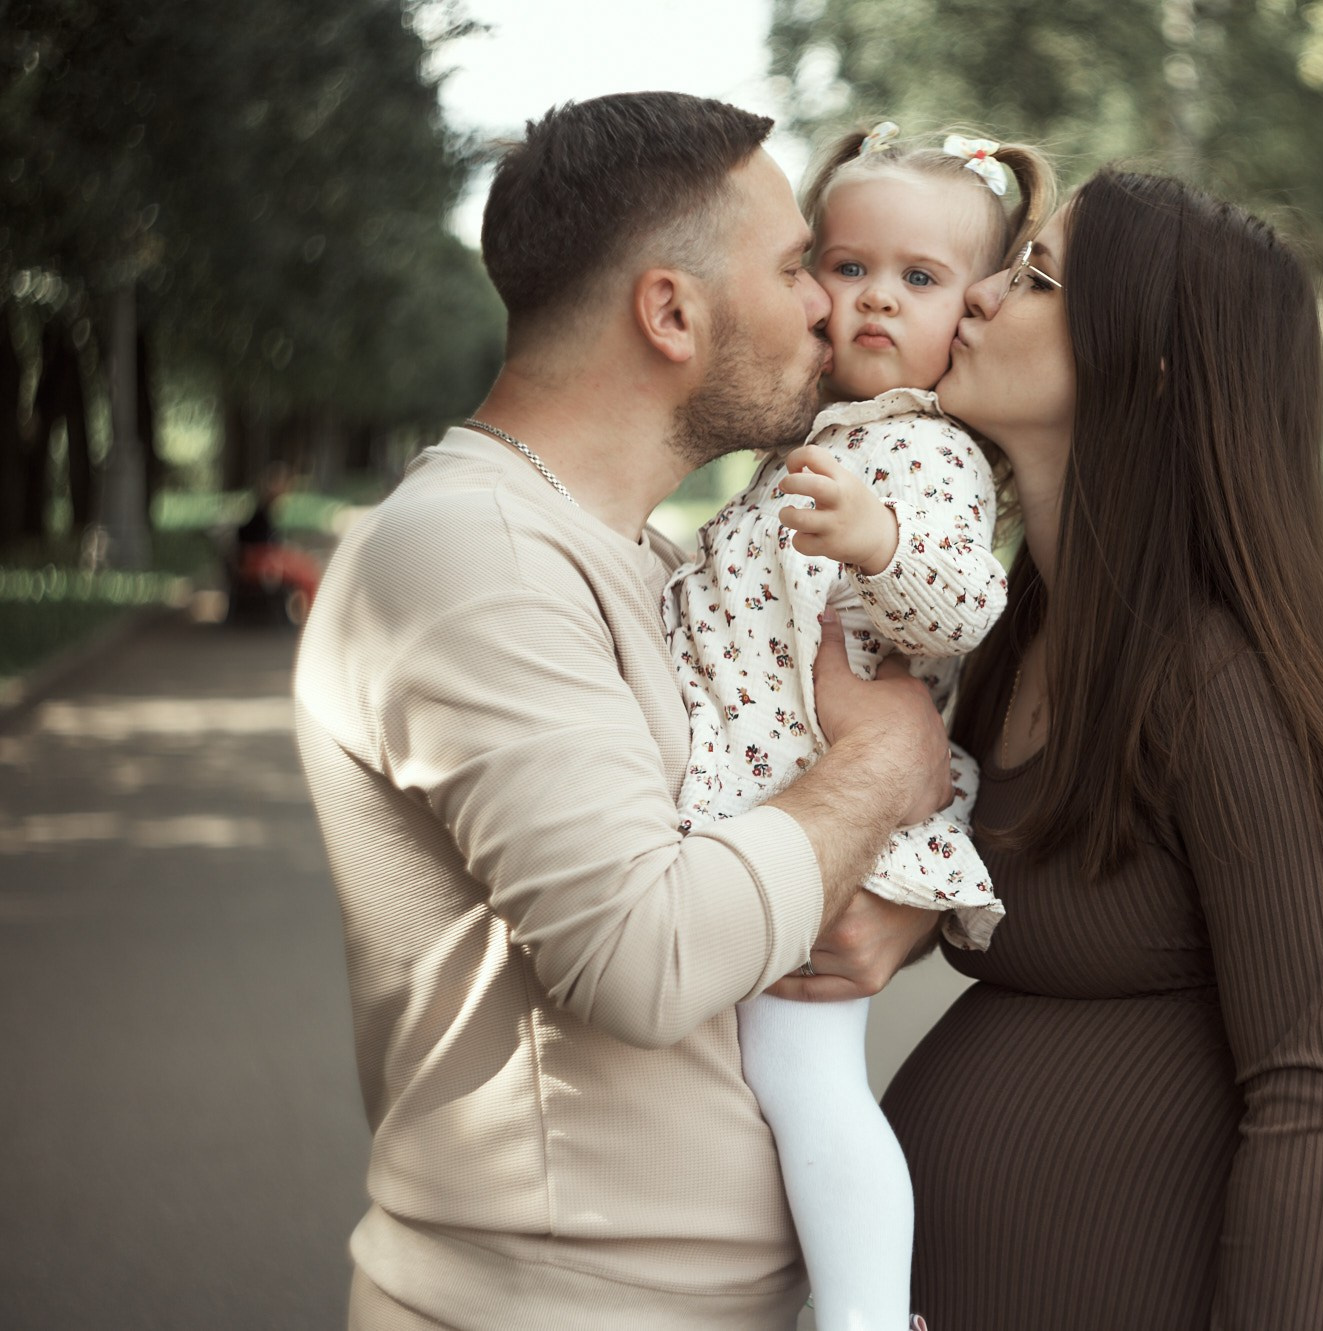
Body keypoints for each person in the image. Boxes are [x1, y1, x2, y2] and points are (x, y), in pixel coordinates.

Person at [293, 91, 948, 1331]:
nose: (829, 304)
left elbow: (761, 873)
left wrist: (886, 912)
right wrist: (879, 767)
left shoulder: (639, 560)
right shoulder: (468, 554)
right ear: (669, 312)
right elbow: (642, 958)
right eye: (796, 265)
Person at [879, 170, 1323, 1329]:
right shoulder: (1011, 632)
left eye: (1035, 277)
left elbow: (1319, 1087)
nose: (979, 293)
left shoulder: (1222, 684)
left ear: (1142, 366)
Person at [667, 120, 1053, 1330]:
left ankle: (868, 1315)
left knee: (807, 1076)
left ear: (969, 312)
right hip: (766, 797)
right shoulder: (819, 435)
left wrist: (880, 543)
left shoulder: (927, 453)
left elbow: (964, 602)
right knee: (756, 1079)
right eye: (848, 265)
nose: (877, 296)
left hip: (828, 819)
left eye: (920, 277)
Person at [233, 461, 320, 619]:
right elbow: (256, 543)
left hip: (266, 558)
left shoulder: (265, 512)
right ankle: (313, 617)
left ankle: (312, 614)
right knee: (306, 572)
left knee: (308, 568)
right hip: (262, 560)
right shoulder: (260, 513)